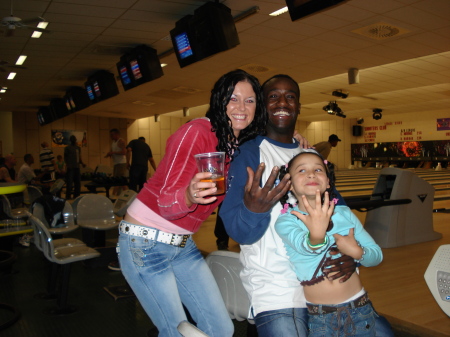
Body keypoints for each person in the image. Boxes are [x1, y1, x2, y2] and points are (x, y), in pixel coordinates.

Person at [117, 69, 266, 336]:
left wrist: (297, 139)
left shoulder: (236, 144)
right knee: (174, 331)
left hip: (183, 245)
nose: (241, 107)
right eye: (233, 98)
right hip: (145, 241)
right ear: (219, 100)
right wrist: (188, 195)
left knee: (221, 329)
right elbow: (165, 202)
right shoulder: (198, 132)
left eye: (250, 100)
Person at [220, 74, 357, 337]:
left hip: (324, 280)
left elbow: (340, 212)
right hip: (276, 287)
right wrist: (252, 210)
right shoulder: (249, 154)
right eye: (273, 96)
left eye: (290, 96)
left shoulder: (312, 156)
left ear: (298, 106)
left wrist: (350, 254)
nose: (283, 102)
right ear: (262, 105)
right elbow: (239, 233)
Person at [275, 150, 392, 336]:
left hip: (360, 310)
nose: (311, 174)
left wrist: (357, 252)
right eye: (302, 170)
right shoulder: (288, 221)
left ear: (328, 182)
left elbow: (376, 256)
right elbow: (307, 247)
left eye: (318, 170)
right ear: (289, 184)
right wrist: (317, 233)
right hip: (322, 318)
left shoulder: (344, 214)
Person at [105, 128, 128, 197]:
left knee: (119, 181)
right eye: (110, 135)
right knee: (119, 181)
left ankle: (114, 195)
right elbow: (113, 151)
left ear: (117, 134)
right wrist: (109, 154)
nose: (111, 136)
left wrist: (113, 152)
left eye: (112, 135)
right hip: (116, 163)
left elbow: (124, 152)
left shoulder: (121, 141)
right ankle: (123, 194)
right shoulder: (113, 142)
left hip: (121, 163)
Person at [64, 135, 86, 200]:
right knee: (69, 183)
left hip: (77, 167)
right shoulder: (67, 148)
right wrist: (68, 164)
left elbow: (79, 157)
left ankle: (76, 196)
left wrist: (82, 163)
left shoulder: (78, 148)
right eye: (72, 139)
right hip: (70, 168)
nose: (74, 140)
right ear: (71, 140)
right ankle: (68, 196)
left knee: (78, 183)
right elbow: (65, 158)